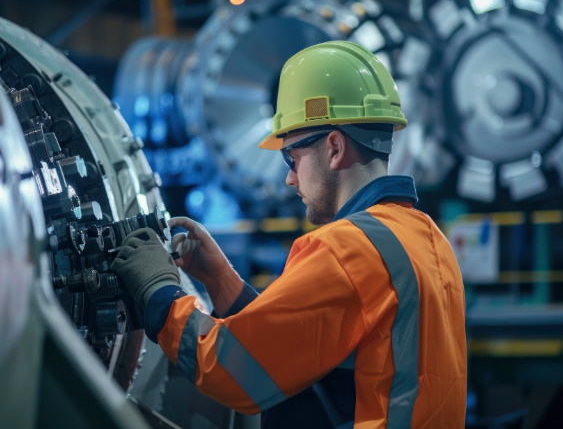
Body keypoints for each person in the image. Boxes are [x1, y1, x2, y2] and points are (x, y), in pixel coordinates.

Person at [111, 41, 466, 428]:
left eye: (292, 157)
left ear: (333, 147)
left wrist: (159, 289)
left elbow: (232, 370)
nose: (290, 177)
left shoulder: (346, 249)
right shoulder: (428, 238)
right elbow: (301, 345)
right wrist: (220, 278)